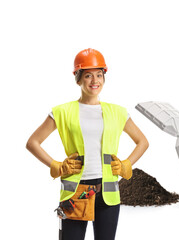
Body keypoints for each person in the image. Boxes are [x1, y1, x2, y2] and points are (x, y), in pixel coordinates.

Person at [26, 48, 149, 240]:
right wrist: (57, 166)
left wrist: (126, 164)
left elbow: (142, 142)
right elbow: (33, 142)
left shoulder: (118, 112)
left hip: (107, 195)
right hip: (76, 193)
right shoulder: (62, 112)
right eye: (88, 75)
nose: (95, 81)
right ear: (78, 79)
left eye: (99, 75)